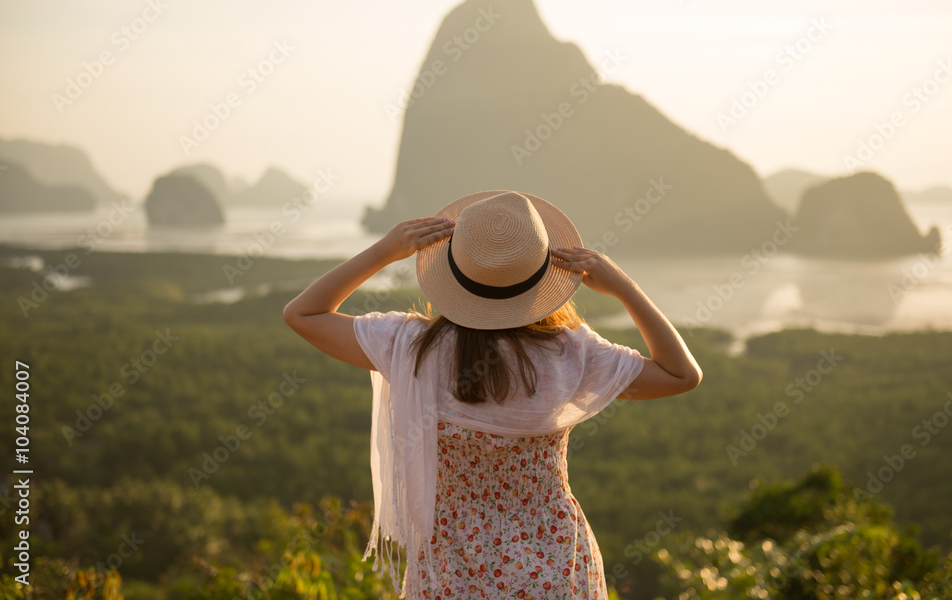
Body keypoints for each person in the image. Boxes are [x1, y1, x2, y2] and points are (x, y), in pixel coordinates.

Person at [283, 190, 702, 599]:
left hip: (452, 567)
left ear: (454, 273)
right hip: (554, 563)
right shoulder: (571, 353)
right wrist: (623, 286)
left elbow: (303, 313)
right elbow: (681, 374)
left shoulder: (410, 346)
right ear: (542, 278)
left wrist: (386, 250)